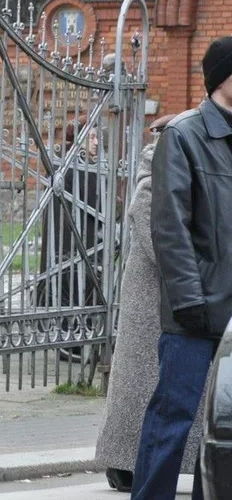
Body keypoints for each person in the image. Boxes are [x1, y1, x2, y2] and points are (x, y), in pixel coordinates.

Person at [133, 37, 232, 500]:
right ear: (223, 78)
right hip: (195, 313)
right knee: (173, 421)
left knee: (224, 432)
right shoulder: (186, 135)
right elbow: (170, 228)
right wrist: (189, 300)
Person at [97, 115, 205, 493]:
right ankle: (125, 462)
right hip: (157, 292)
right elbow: (148, 215)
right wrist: (186, 272)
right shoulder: (165, 150)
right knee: (144, 387)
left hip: (189, 290)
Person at [39, 120, 102, 362]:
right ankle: (68, 339)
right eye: (92, 137)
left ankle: (87, 336)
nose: (96, 142)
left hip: (88, 239)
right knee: (67, 285)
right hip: (67, 240)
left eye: (97, 137)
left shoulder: (93, 164)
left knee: (88, 286)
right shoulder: (68, 164)